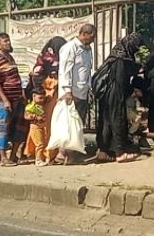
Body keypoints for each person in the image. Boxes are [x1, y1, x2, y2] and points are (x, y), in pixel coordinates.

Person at [92, 33, 144, 162]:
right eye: (136, 46)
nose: (136, 48)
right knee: (118, 120)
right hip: (115, 94)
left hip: (106, 94)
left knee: (105, 122)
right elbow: (121, 82)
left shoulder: (114, 56)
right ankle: (120, 152)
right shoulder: (121, 60)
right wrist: (131, 90)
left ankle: (103, 152)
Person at [58, 24, 96, 162]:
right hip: (71, 93)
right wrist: (67, 91)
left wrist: (89, 88)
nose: (92, 40)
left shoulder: (87, 49)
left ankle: (71, 152)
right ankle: (64, 153)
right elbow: (65, 71)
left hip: (83, 92)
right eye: (91, 37)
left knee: (78, 124)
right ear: (84, 34)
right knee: (69, 123)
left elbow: (87, 70)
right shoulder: (69, 48)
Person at [29, 36, 66, 164]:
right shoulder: (44, 60)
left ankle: (52, 153)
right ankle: (43, 154)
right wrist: (41, 92)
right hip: (45, 95)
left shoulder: (63, 58)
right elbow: (37, 75)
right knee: (44, 125)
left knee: (55, 124)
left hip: (58, 94)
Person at [0, 32, 25, 167]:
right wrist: (5, 100)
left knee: (19, 127)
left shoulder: (10, 58)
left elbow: (16, 78)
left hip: (17, 99)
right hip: (3, 101)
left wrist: (21, 94)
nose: (8, 43)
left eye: (9, 41)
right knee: (1, 128)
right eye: (5, 41)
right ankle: (3, 157)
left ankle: (13, 155)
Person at [23, 88, 51, 166]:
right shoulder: (30, 106)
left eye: (43, 98)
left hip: (43, 126)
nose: (42, 100)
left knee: (44, 143)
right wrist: (35, 117)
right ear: (34, 96)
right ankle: (38, 160)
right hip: (35, 127)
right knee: (40, 144)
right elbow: (26, 116)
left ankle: (42, 157)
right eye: (40, 98)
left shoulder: (42, 104)